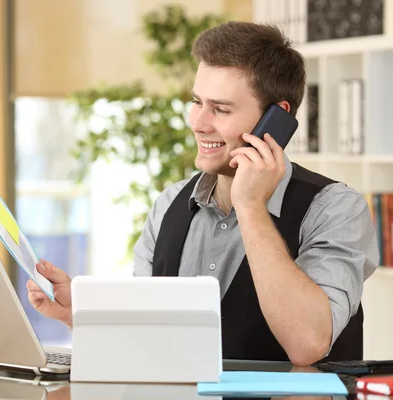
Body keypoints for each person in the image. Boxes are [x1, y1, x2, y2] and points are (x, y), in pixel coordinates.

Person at [26, 21, 379, 367]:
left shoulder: (336, 209)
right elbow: (147, 347)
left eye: (221, 109)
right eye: (197, 102)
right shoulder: (169, 205)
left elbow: (307, 343)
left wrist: (252, 206)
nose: (198, 122)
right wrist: (83, 316)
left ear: (276, 119)